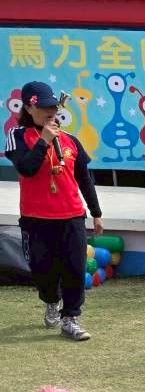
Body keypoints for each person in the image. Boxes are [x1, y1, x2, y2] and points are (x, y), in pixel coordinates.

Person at [4, 80, 104, 341]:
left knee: (74, 268)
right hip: (36, 218)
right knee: (43, 270)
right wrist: (44, 141)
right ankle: (50, 300)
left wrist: (96, 212)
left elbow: (84, 178)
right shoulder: (17, 136)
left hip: (72, 215)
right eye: (45, 108)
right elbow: (27, 168)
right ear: (29, 108)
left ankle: (71, 318)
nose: (51, 113)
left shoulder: (70, 140)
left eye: (53, 107)